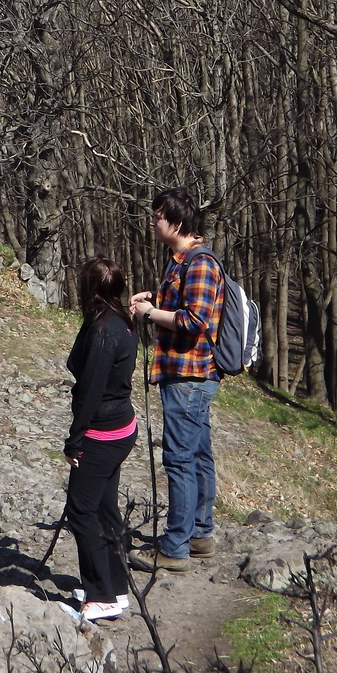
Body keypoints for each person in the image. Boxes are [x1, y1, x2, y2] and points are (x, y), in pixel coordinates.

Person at [129, 186, 224, 573]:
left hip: (189, 377)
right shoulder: (179, 262)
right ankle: (199, 534)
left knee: (180, 461)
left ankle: (175, 547)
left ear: (176, 221)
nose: (153, 222)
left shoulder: (200, 263)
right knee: (198, 456)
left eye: (157, 216)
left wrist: (152, 314)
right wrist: (152, 302)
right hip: (187, 377)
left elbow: (195, 320)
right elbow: (181, 308)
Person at [61, 255, 139, 623]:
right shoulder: (118, 319)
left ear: (89, 289)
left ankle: (100, 594)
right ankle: (117, 587)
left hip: (102, 434)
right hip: (120, 427)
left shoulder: (104, 330)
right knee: (105, 508)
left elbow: (90, 390)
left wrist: (75, 441)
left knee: (81, 509)